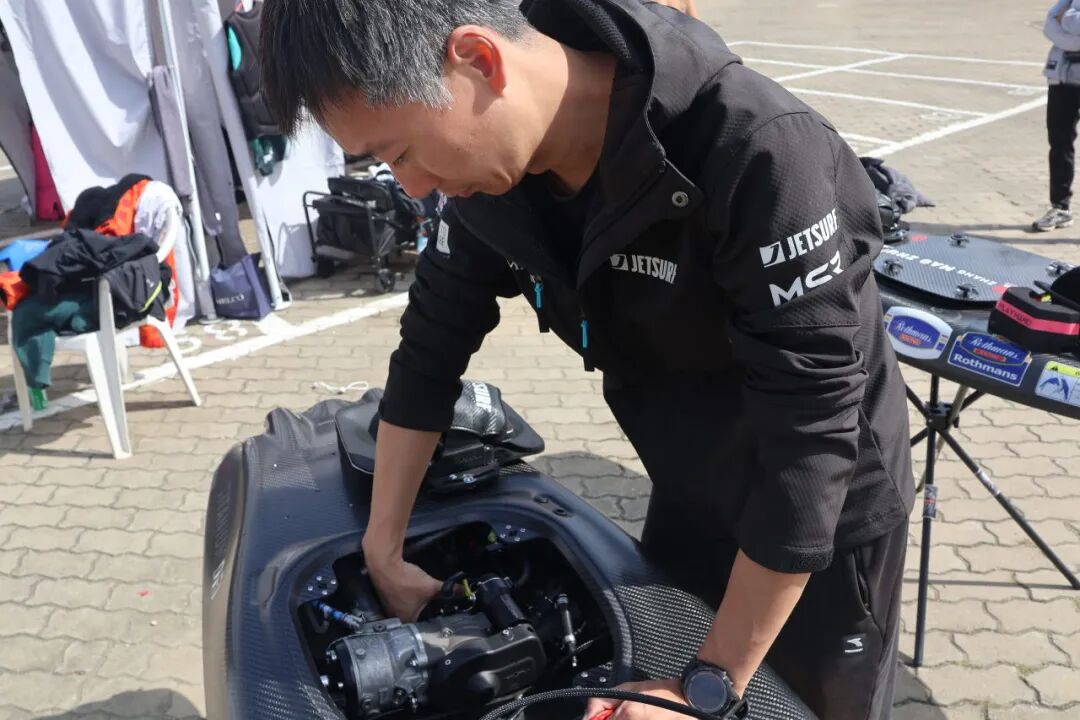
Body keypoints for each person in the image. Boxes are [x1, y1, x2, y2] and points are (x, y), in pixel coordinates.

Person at [261, 1, 915, 718]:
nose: (411, 187)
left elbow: (811, 439)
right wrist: (383, 549)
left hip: (821, 521)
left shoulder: (758, 151)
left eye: (402, 153)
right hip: (689, 483)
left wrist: (707, 684)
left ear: (479, 60)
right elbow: (427, 354)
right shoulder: (494, 182)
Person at [1035, 0, 1080, 231]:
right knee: (1060, 143)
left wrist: (1067, 20)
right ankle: (1060, 207)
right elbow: (1049, 26)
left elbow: (1067, 22)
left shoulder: (1068, 8)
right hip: (1062, 78)